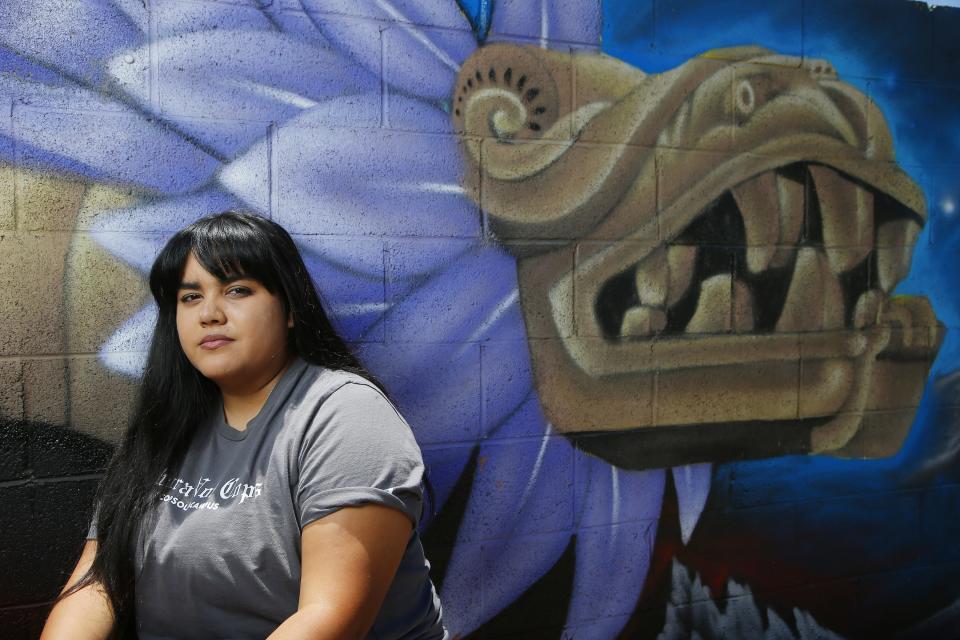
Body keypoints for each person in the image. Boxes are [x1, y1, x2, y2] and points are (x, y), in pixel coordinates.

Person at [40, 212, 446, 639]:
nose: (210, 313)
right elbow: (97, 583)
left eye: (237, 290)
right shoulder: (164, 427)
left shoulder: (344, 414)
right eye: (190, 297)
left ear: (290, 309)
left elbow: (330, 619)